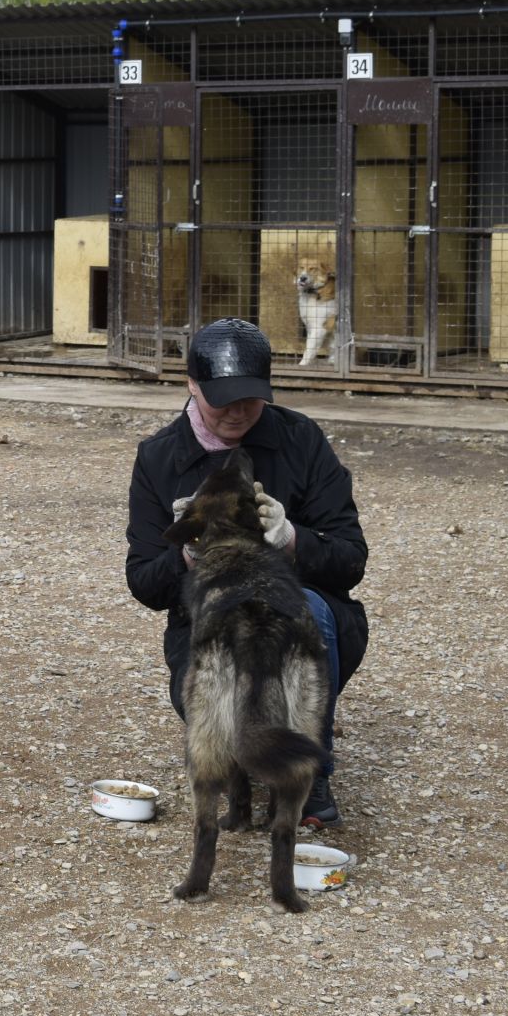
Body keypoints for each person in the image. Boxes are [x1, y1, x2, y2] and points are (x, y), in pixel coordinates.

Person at [124, 317, 370, 827]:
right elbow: (144, 581)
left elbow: (351, 557)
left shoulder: (300, 439)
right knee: (216, 694)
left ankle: (310, 773)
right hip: (209, 619)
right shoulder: (159, 457)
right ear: (192, 386)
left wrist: (292, 539)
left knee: (310, 611)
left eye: (251, 400)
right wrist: (188, 554)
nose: (238, 413)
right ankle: (234, 765)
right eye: (223, 400)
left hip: (302, 613)